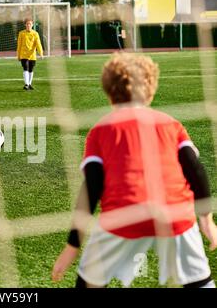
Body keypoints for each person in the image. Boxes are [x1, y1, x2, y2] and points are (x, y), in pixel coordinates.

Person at [51, 52, 217, 288]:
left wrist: (71, 247)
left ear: (109, 93)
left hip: (123, 216)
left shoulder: (100, 132)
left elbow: (92, 188)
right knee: (200, 282)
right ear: (151, 90)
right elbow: (196, 170)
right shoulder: (171, 124)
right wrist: (207, 221)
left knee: (88, 283)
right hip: (175, 214)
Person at [17, 18, 43, 91]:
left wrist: (41, 53)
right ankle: (26, 84)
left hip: (32, 55)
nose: (28, 25)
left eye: (30, 24)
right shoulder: (21, 33)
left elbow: (38, 44)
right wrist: (18, 55)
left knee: (31, 70)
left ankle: (29, 84)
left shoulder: (35, 34)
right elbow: (19, 45)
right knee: (25, 68)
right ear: (25, 25)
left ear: (32, 25)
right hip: (23, 54)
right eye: (27, 24)